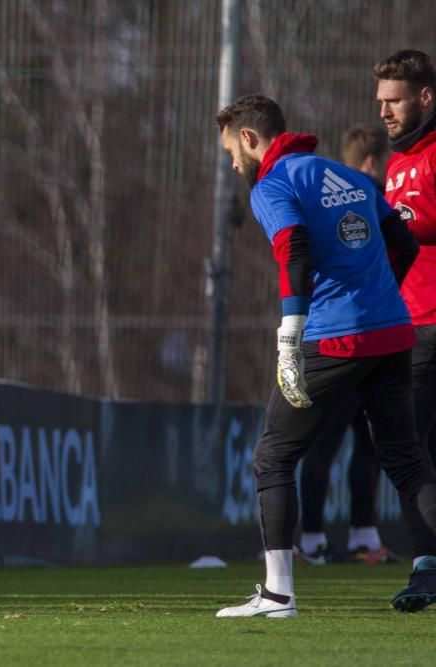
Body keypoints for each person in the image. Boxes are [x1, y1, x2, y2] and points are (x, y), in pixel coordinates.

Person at [212, 94, 436, 618]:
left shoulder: (273, 183)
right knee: (406, 459)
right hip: (393, 332)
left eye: (230, 152)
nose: (232, 164)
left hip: (333, 337)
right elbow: (401, 243)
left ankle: (277, 595)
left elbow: (293, 248)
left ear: (250, 138)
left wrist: (290, 333)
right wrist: (379, 299)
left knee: (273, 456)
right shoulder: (347, 175)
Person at [296, 123, 395, 565]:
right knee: (370, 443)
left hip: (331, 333)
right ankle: (361, 536)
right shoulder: (374, 198)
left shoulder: (322, 199)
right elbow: (402, 251)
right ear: (373, 163)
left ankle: (314, 540)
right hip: (374, 332)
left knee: (323, 441)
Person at [375, 49, 436, 612]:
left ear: (425, 97)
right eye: (380, 103)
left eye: (394, 101)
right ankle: (426, 564)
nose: (385, 113)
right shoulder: (397, 162)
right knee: (409, 448)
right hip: (411, 326)